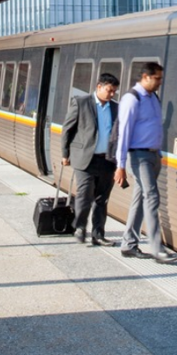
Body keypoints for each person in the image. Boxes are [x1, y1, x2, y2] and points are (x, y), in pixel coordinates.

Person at [115, 62, 177, 263]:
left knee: (139, 199)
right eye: (157, 78)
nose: (160, 82)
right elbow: (123, 134)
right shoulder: (132, 99)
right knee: (152, 197)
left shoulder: (153, 98)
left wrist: (158, 153)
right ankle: (157, 249)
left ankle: (128, 244)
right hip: (138, 156)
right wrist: (121, 165)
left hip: (153, 156)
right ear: (146, 77)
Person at [62, 73, 121, 246]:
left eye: (114, 92)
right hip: (85, 159)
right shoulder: (81, 103)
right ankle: (80, 227)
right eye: (109, 91)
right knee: (85, 194)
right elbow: (67, 129)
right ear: (99, 87)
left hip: (107, 161)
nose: (112, 95)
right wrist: (65, 154)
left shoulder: (115, 108)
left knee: (102, 199)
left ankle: (98, 235)